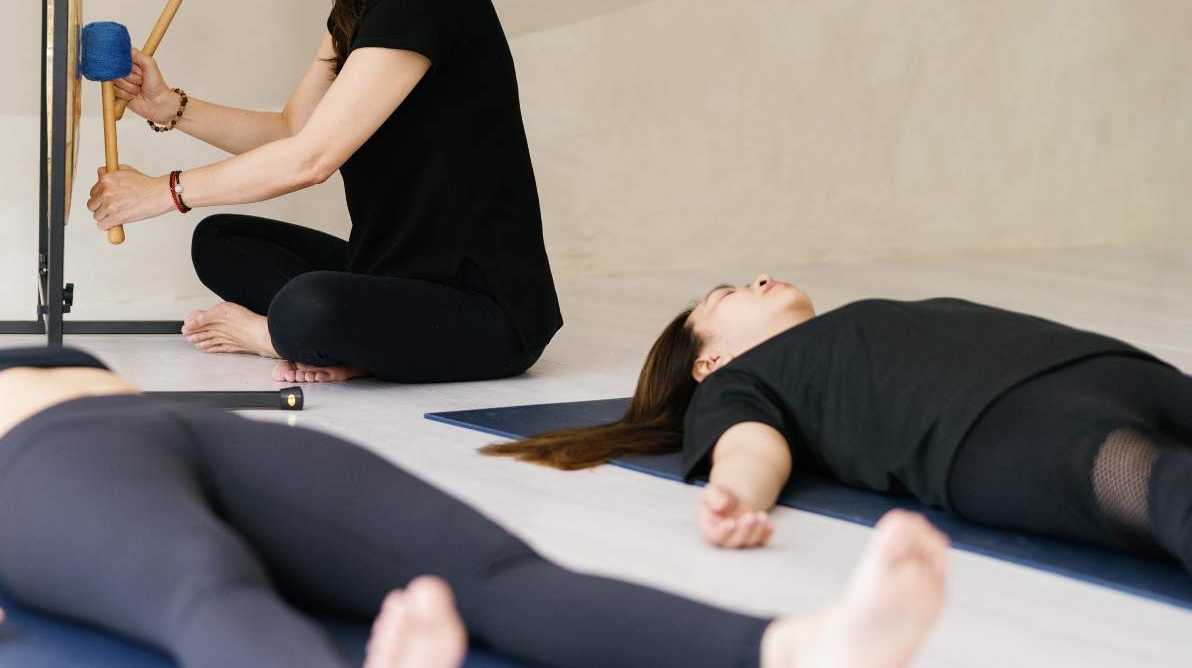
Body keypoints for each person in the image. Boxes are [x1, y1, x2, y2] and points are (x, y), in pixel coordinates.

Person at [0, 316, 949, 668]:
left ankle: (801, 648)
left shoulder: (28, 354)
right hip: (46, 475)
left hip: (179, 431)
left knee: (493, 571)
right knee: (200, 586)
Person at [85, 0, 561, 386]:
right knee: (221, 241)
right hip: (390, 276)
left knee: (307, 308)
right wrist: (168, 105)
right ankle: (339, 339)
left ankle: (279, 335)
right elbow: (293, 129)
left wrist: (162, 191)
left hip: (483, 312)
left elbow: (311, 159)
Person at [485, 274, 1192, 572]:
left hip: (1097, 365)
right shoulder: (738, 383)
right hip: (990, 426)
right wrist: (736, 494)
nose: (760, 277)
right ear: (709, 361)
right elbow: (750, 445)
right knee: (1169, 488)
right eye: (729, 293)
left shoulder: (853, 325)